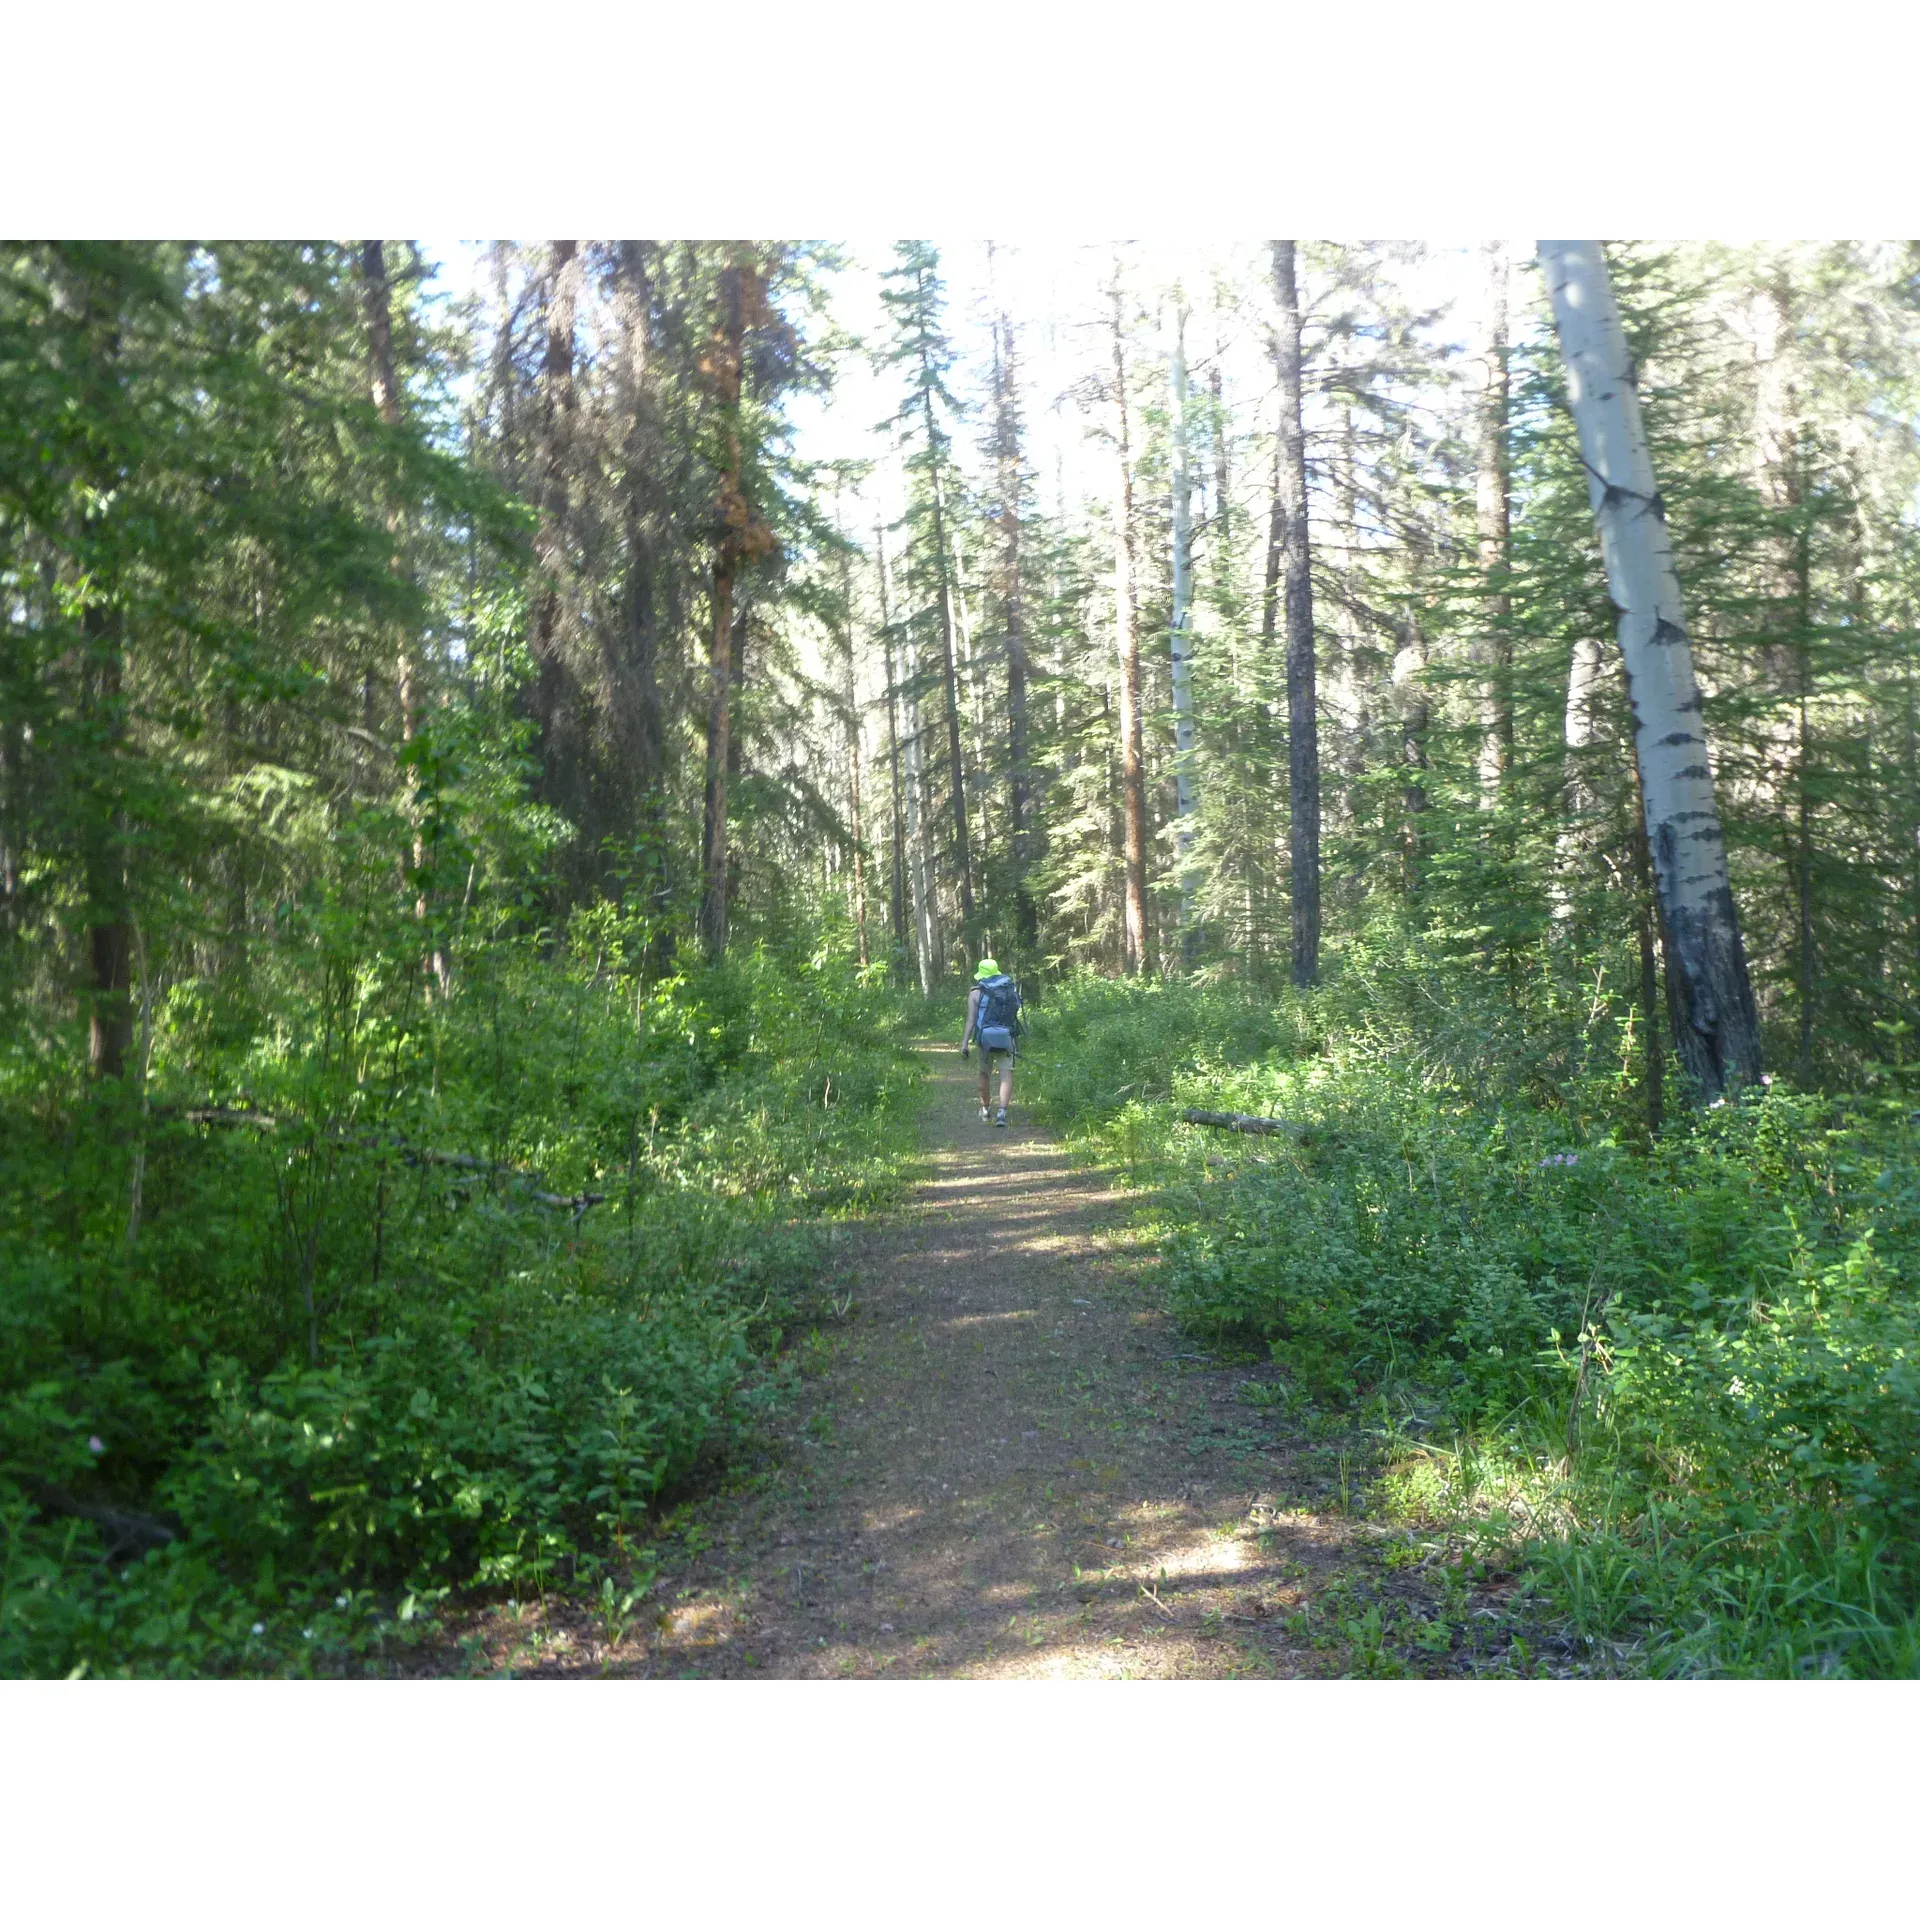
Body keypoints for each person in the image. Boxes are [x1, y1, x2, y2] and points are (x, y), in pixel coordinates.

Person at [961, 956, 1021, 1128]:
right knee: (1005, 1074)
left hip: (984, 1041)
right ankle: (1002, 1113)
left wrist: (964, 1043)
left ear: (981, 974)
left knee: (984, 1073)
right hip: (1006, 1038)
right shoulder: (1009, 990)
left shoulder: (975, 993)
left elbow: (971, 1021)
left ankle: (986, 1110)